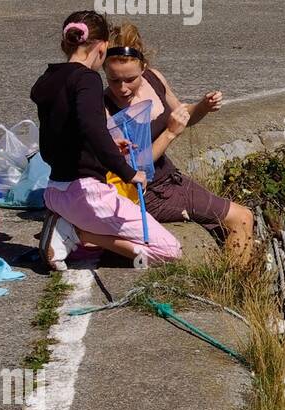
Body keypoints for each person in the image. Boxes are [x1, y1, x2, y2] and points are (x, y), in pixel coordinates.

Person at [30, 12, 181, 271]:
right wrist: (129, 172)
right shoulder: (86, 79)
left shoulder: (48, 78)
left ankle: (70, 226)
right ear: (101, 47)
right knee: (169, 251)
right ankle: (79, 233)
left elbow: (68, 131)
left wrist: (111, 146)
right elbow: (92, 129)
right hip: (87, 195)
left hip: (55, 191)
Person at [102, 24, 254, 263]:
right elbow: (132, 166)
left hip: (169, 179)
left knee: (232, 221)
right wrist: (169, 135)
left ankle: (233, 284)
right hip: (144, 193)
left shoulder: (155, 79)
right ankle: (236, 286)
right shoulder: (106, 108)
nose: (122, 88)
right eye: (113, 80)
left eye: (130, 79)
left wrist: (202, 107)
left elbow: (183, 116)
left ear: (143, 67)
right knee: (241, 217)